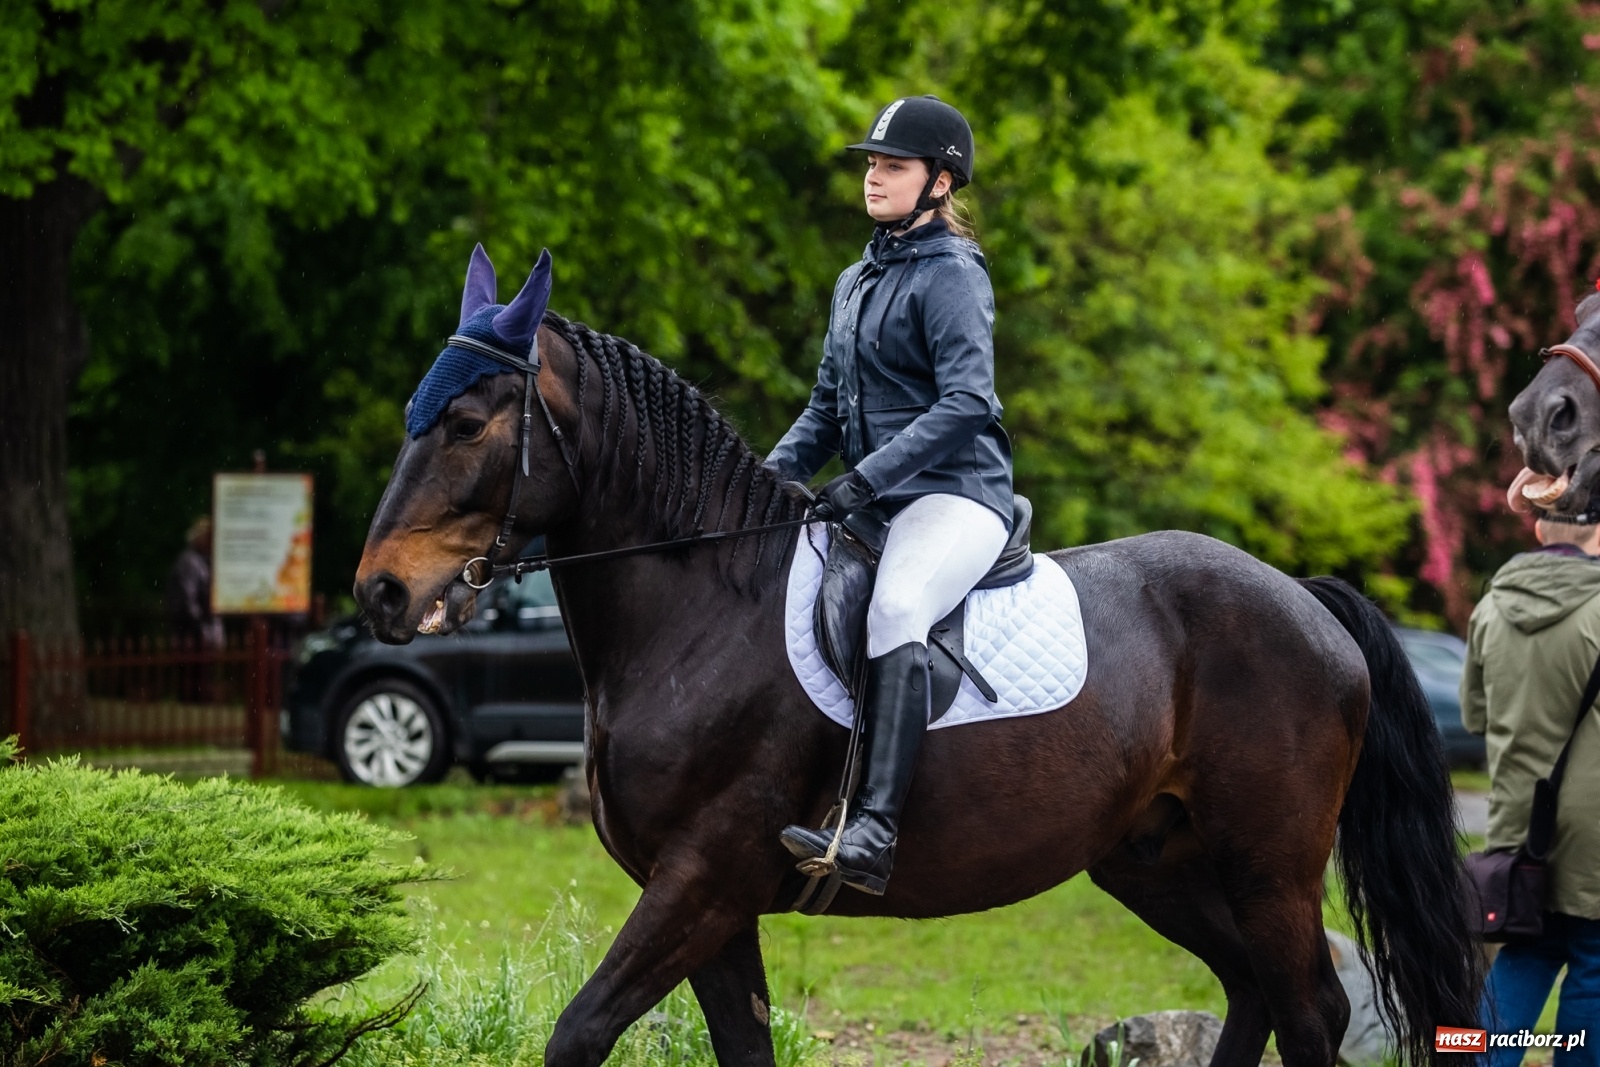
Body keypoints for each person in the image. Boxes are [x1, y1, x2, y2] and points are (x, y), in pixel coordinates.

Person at [765, 96, 1014, 895]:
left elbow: (968, 402)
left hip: (956, 494)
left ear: (940, 181)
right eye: (871, 163)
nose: (874, 176)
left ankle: (871, 830)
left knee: (898, 607)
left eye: (893, 165)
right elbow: (826, 410)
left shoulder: (952, 275)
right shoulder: (855, 280)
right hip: (877, 499)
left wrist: (866, 478)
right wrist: (761, 487)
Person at [1462, 515, 1600, 1067]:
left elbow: (1475, 715)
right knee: (1594, 965)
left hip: (1520, 827)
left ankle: (1469, 1060)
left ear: (1541, 530)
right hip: (1595, 834)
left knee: (1522, 955)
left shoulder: (1490, 608)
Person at [166, 516, 224, 651]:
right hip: (192, 635)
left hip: (202, 633)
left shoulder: (204, 560)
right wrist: (200, 627)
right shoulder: (189, 561)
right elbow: (187, 599)